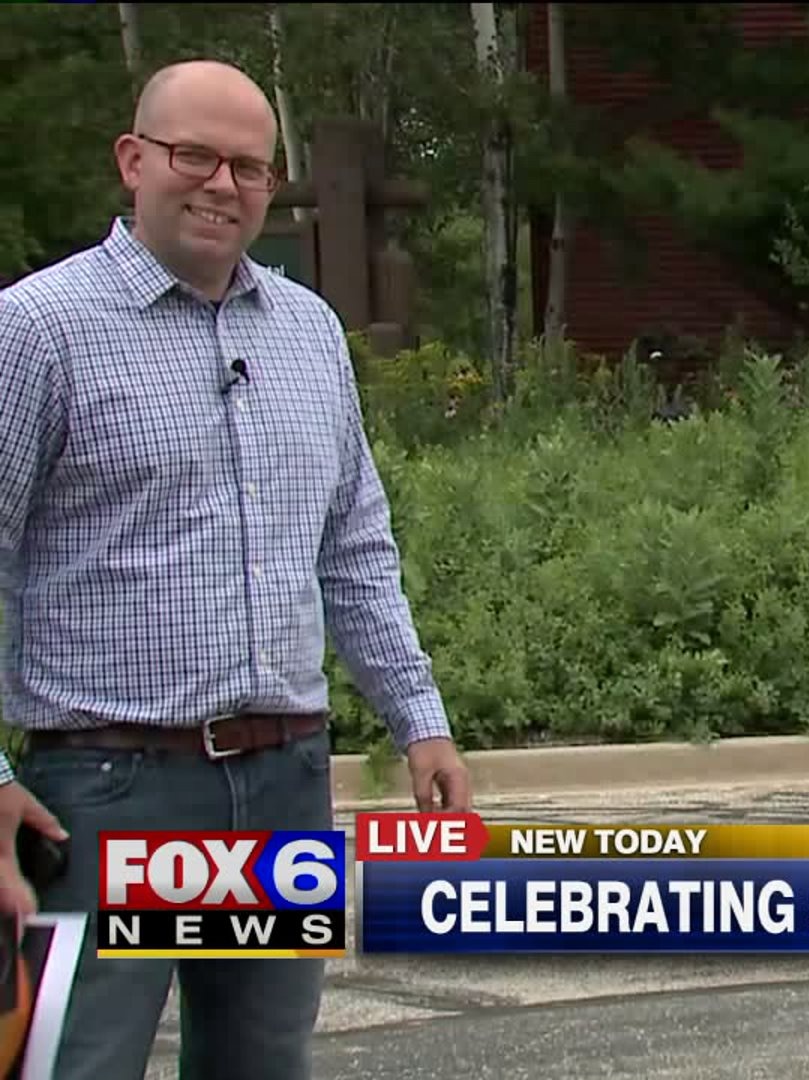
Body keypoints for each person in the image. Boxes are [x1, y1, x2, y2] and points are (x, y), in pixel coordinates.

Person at [0, 59, 472, 1079]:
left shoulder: (307, 331)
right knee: (75, 1064)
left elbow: (354, 547)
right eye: (195, 157)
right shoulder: (37, 329)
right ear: (134, 161)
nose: (222, 184)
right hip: (105, 788)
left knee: (260, 1063)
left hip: (282, 779)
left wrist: (419, 718)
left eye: (249, 167)